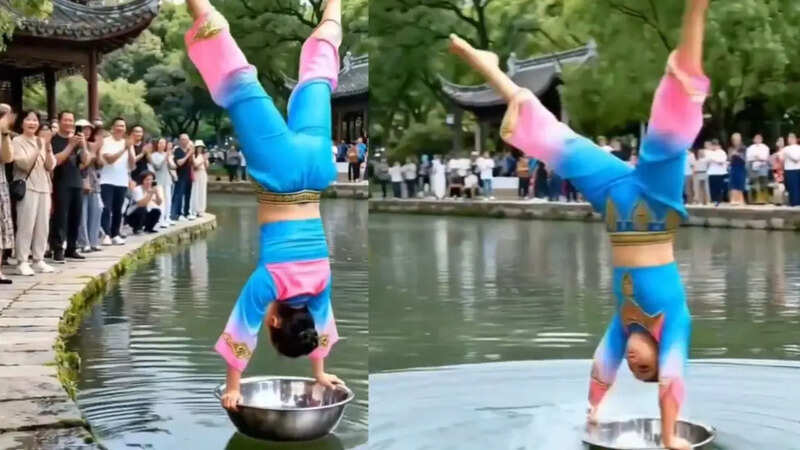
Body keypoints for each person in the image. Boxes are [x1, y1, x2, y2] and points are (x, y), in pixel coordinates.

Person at [450, 0, 708, 447]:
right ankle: (696, 11)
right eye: (642, 364)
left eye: (634, 368)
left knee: (552, 140)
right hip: (655, 206)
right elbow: (671, 382)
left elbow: (600, 367)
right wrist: (668, 438)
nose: (633, 360)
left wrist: (593, 413)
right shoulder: (675, 325)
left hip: (615, 205)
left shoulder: (625, 327)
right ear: (659, 355)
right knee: (672, 120)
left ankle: (490, 68)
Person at [185, 0, 344, 411]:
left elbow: (320, 328)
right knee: (237, 81)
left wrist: (320, 371)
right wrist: (233, 388)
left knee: (319, 79)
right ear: (275, 320)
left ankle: (335, 7)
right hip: (280, 171)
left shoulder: (320, 282)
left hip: (318, 169)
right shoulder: (270, 282)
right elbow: (242, 329)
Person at [13, 113, 56, 276]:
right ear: (22, 123)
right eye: (28, 119)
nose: (32, 123)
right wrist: (38, 148)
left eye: (35, 120)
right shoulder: (17, 141)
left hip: (44, 187)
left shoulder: (42, 141)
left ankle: (39, 259)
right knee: (26, 225)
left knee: (43, 226)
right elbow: (23, 164)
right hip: (28, 187)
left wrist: (48, 148)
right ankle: (22, 261)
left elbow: (50, 166)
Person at [49, 111, 88, 262]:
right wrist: (71, 145)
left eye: (71, 120)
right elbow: (56, 161)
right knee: (60, 217)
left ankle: (72, 248)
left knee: (75, 216)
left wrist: (83, 145)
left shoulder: (77, 139)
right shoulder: (54, 139)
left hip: (76, 181)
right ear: (59, 121)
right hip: (60, 181)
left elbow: (85, 161)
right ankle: (57, 249)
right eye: (65, 120)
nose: (69, 123)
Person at [99, 118, 135, 246]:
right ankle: (106, 234)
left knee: (118, 209)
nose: (120, 128)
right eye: (118, 126)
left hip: (122, 181)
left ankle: (115, 234)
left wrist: (130, 150)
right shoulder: (106, 142)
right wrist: (124, 149)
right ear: (113, 128)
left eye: (123, 126)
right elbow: (109, 160)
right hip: (107, 180)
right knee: (106, 208)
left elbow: (132, 165)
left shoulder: (127, 144)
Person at [76, 120, 103, 253]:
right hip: (80, 180)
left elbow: (100, 164)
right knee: (83, 213)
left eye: (89, 129)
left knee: (97, 210)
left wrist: (97, 150)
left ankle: (94, 241)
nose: (86, 132)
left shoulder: (93, 145)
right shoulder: (76, 144)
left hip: (94, 181)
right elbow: (82, 164)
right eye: (83, 129)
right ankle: (83, 242)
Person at [0, 107, 15, 283]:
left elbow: (8, 157)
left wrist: (4, 135)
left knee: (2, 228)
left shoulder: (6, 135)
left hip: (1, 183)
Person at [149, 138, 175, 228]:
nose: (163, 145)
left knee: (168, 199)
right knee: (161, 200)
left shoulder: (167, 154)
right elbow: (157, 166)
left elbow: (173, 167)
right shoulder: (154, 155)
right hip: (159, 180)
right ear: (157, 144)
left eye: (164, 143)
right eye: (161, 143)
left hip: (167, 180)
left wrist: (169, 159)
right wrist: (165, 157)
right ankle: (160, 220)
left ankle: (167, 217)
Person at [171, 134, 195, 221]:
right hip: (180, 176)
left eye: (186, 139)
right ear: (180, 140)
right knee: (179, 194)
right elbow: (179, 163)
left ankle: (187, 212)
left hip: (188, 175)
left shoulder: (189, 151)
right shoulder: (177, 150)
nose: (185, 141)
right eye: (183, 139)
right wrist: (188, 154)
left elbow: (193, 164)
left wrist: (191, 155)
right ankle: (177, 214)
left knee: (188, 194)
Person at [746, 133, 769, 204]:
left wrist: (758, 157)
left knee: (763, 183)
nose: (758, 140)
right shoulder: (750, 148)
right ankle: (754, 199)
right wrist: (756, 157)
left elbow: (765, 157)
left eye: (759, 138)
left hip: (762, 167)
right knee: (754, 183)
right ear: (754, 140)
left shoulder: (765, 147)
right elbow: (748, 157)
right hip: (752, 167)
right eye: (756, 138)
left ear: (761, 139)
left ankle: (764, 200)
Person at [191, 140, 209, 217]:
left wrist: (205, 160)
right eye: (198, 147)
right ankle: (194, 209)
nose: (200, 149)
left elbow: (206, 166)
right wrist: (203, 160)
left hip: (203, 173)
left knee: (202, 191)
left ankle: (201, 209)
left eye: (201, 147)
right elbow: (195, 165)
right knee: (195, 191)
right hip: (196, 173)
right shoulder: (193, 155)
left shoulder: (203, 155)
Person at [706, 139, 728, 205]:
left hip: (720, 173)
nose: (714, 146)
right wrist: (717, 160)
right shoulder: (708, 152)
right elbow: (708, 159)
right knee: (713, 188)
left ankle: (720, 200)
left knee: (720, 188)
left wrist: (715, 160)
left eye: (715, 145)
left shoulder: (722, 152)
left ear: (718, 145)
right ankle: (714, 200)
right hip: (712, 173)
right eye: (713, 145)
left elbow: (722, 160)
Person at [727, 133, 746, 205]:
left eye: (737, 139)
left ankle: (741, 200)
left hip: (741, 167)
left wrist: (738, 154)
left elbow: (745, 159)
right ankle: (733, 199)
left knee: (740, 182)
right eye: (734, 140)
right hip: (733, 167)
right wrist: (731, 155)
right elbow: (729, 159)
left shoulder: (743, 148)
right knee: (733, 183)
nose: (736, 141)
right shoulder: (730, 149)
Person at [783, 133, 800, 207]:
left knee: (797, 186)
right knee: (790, 186)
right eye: (789, 138)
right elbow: (781, 158)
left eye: (791, 138)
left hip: (797, 169)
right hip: (789, 169)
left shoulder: (798, 148)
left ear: (795, 139)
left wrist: (788, 154)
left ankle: (797, 202)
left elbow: (796, 158)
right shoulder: (786, 148)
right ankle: (792, 202)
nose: (790, 139)